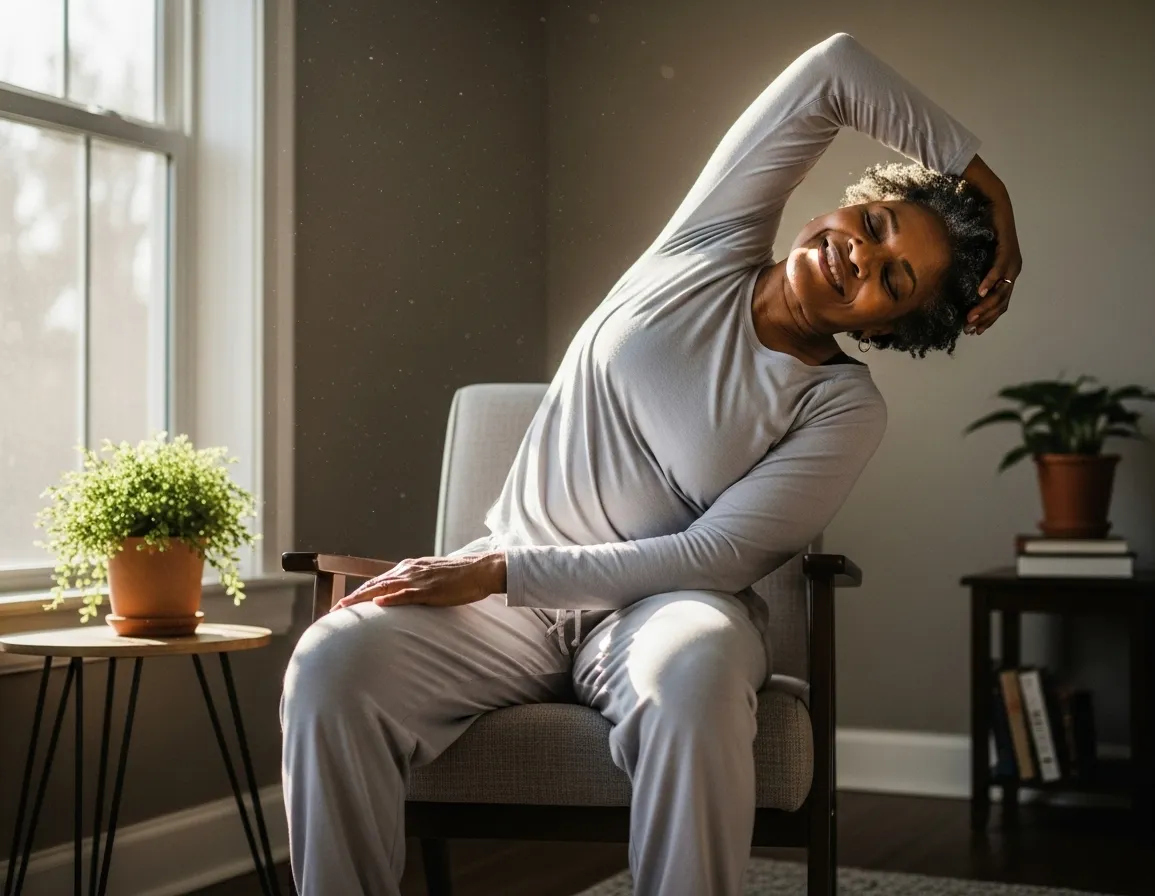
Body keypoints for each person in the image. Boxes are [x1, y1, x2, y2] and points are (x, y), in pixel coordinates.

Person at [280, 31, 1021, 896]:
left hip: (660, 611)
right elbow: (833, 70)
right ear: (844, 207)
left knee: (700, 672)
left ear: (886, 330)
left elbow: (713, 558)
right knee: (331, 662)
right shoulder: (706, 244)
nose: (864, 253)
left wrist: (496, 570)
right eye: (877, 223)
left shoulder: (844, 407)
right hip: (511, 614)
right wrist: (987, 186)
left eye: (893, 282)